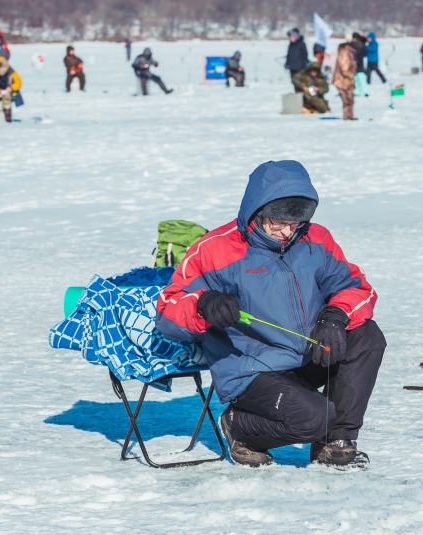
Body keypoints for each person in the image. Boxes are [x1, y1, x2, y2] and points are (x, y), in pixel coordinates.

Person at [156, 160, 385, 469]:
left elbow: (356, 287)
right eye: (279, 221)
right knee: (315, 417)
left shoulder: (315, 238)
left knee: (367, 336)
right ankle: (240, 427)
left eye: (296, 222)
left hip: (305, 352)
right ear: (257, 210)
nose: (287, 232)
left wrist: (335, 315)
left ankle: (336, 443)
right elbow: (168, 313)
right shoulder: (215, 250)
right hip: (251, 369)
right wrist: (203, 305)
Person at [332, 42, 357, 120]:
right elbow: (344, 68)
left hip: (345, 81)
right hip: (343, 81)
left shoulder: (347, 53)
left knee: (349, 99)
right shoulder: (344, 53)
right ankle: (347, 115)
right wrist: (351, 75)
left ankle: (349, 115)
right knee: (347, 100)